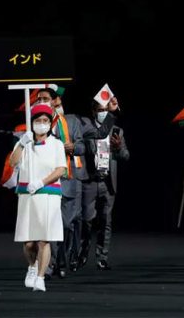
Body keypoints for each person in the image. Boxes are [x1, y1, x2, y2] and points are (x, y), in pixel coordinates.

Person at [7, 103, 66, 292]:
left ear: (50, 123)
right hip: (27, 195)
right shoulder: (24, 142)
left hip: (48, 194)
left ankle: (40, 277)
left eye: (45, 121)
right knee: (29, 241)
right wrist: (22, 144)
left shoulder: (56, 144)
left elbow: (60, 169)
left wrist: (41, 182)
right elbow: (13, 162)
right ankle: (32, 266)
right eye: (38, 120)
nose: (42, 124)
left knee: (44, 239)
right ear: (32, 123)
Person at [33, 85, 85, 279]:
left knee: (66, 225)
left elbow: (82, 146)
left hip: (68, 179)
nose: (41, 102)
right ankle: (52, 263)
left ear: (55, 101)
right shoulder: (37, 124)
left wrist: (72, 147)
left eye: (45, 98)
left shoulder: (70, 122)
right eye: (39, 99)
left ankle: (63, 259)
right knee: (48, 226)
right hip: (46, 181)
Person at [77, 97, 128, 270]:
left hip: (108, 182)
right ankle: (82, 252)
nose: (103, 113)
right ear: (93, 112)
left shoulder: (117, 131)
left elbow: (126, 156)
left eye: (105, 110)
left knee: (106, 221)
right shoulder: (86, 129)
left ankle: (102, 257)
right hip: (90, 181)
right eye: (99, 110)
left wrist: (118, 148)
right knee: (86, 220)